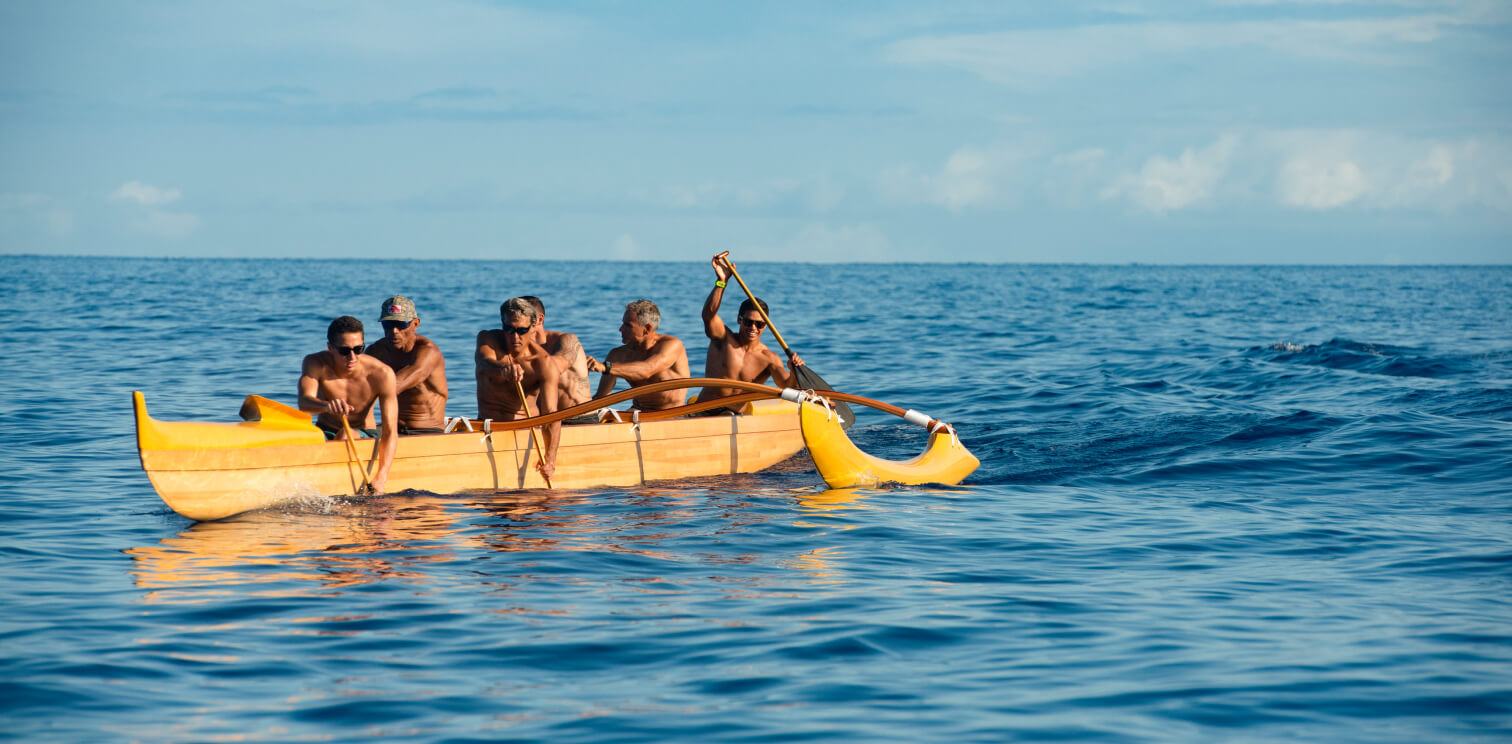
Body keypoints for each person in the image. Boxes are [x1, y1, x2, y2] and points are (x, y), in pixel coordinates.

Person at [298, 316, 399, 493]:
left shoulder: (382, 374)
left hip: (362, 433)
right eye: (345, 351)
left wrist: (381, 478)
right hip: (324, 430)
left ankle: (334, 487)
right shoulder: (315, 363)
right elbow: (304, 402)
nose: (352, 357)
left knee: (344, 433)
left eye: (359, 349)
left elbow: (390, 432)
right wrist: (325, 406)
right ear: (330, 347)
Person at [697, 254, 804, 411]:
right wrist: (722, 282)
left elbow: (788, 387)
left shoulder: (769, 359)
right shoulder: (722, 338)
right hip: (699, 412)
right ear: (739, 320)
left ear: (766, 326)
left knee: (726, 416)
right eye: (748, 322)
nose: (753, 328)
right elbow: (708, 315)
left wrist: (794, 371)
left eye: (759, 324)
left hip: (731, 417)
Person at [476, 297, 560, 480]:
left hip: (522, 432)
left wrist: (550, 460)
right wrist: (501, 368)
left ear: (533, 326)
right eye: (509, 329)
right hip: (485, 427)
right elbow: (483, 363)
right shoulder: (487, 339)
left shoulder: (543, 364)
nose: (515, 337)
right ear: (502, 325)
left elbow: (551, 416)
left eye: (522, 330)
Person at [587, 299, 690, 411]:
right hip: (636, 413)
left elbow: (647, 370)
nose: (620, 329)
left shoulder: (672, 345)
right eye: (622, 324)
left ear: (647, 328)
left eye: (628, 325)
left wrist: (605, 367)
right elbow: (601, 399)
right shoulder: (617, 355)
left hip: (672, 415)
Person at [365, 295, 448, 434]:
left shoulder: (428, 352)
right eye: (388, 325)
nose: (394, 331)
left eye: (401, 324)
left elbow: (396, 385)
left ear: (415, 324)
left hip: (426, 431)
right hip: (391, 429)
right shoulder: (376, 351)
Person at [519, 295, 591, 409]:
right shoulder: (516, 345)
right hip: (540, 419)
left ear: (539, 319)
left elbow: (556, 367)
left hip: (578, 420)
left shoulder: (568, 340)